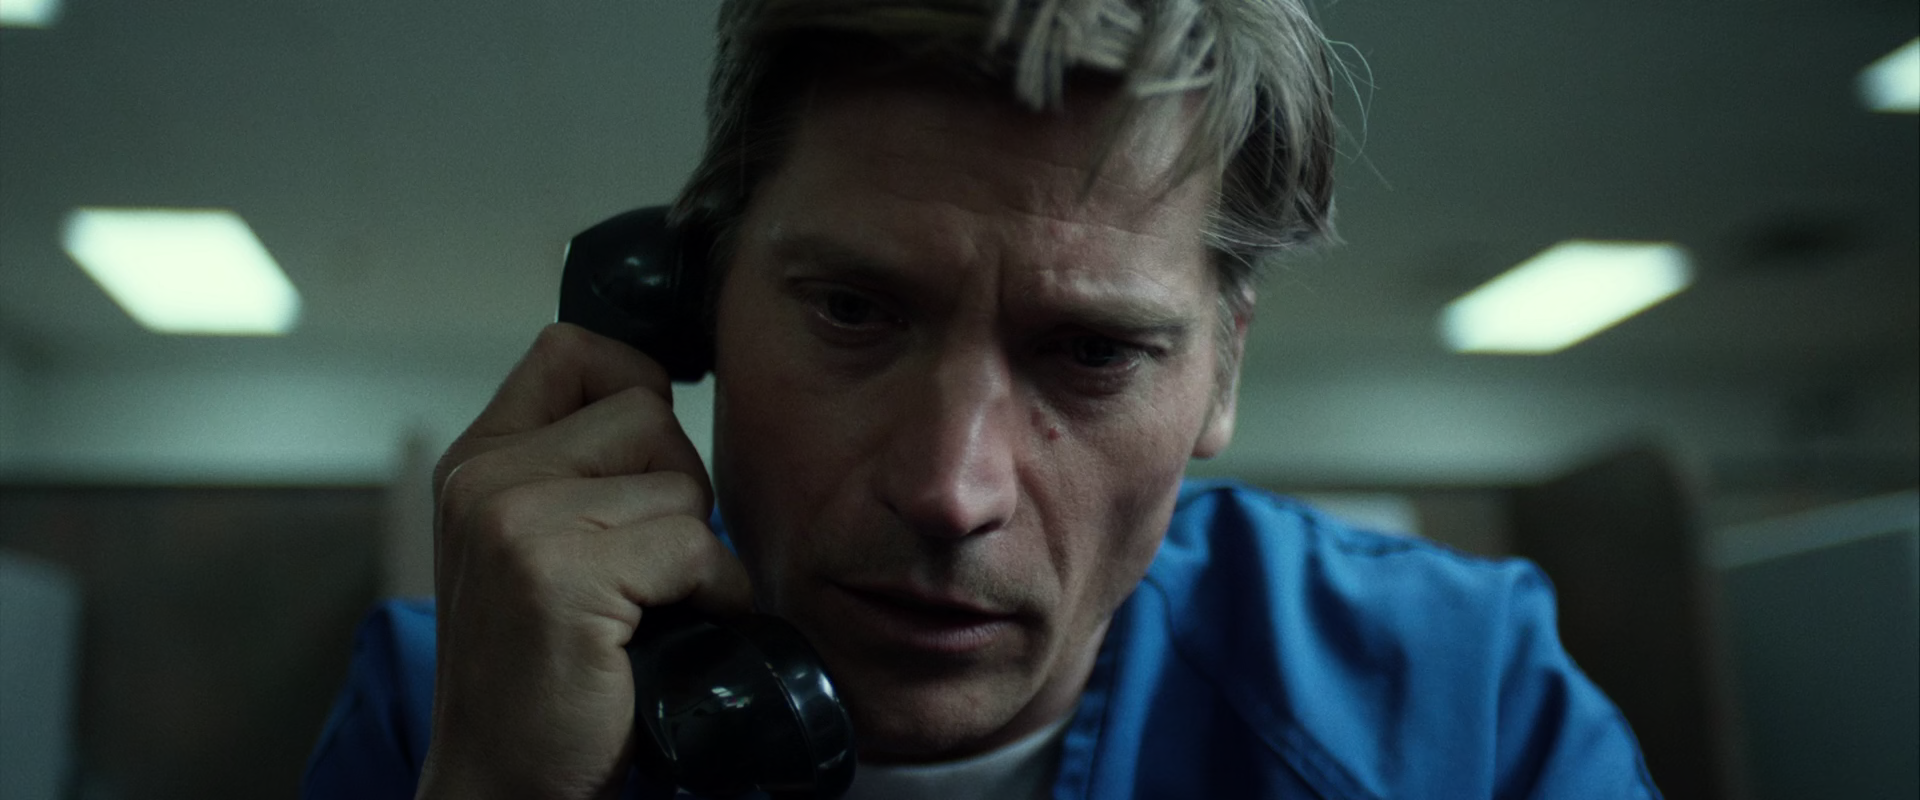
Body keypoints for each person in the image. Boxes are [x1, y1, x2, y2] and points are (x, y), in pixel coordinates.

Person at [305, 1, 1662, 797]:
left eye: (1093, 354)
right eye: (854, 311)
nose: (951, 490)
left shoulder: (1463, 706)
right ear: (690, 299)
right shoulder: (454, 706)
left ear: (1223, 372)